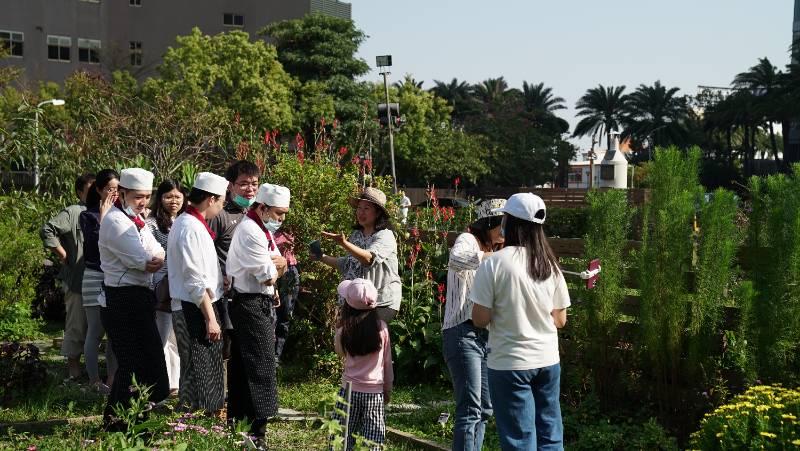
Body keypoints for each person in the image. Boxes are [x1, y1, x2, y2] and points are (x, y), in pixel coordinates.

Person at [470, 193, 570, 451]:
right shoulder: (551, 264)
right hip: (548, 361)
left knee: (519, 439)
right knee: (550, 435)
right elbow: (560, 320)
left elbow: (479, 319)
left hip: (509, 363)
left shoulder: (494, 264)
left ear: (509, 222)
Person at [98, 168, 169, 428]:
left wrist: (153, 259)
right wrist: (151, 260)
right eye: (138, 196)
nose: (143, 202)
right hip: (122, 298)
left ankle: (126, 420)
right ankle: (122, 422)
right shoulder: (116, 221)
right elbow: (142, 260)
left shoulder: (136, 221)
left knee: (144, 362)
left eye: (147, 197)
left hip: (139, 296)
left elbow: (158, 251)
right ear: (123, 193)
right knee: (133, 363)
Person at [226, 183, 291, 446]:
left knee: (244, 366)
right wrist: (278, 267)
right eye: (278, 213)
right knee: (260, 366)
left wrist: (280, 265)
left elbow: (280, 262)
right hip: (250, 303)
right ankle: (256, 431)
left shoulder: (262, 229)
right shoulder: (250, 230)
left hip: (257, 303)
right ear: (262, 207)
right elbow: (267, 275)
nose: (281, 219)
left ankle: (241, 426)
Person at [442, 198, 506, 451]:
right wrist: (497, 257)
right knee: (470, 408)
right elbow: (457, 259)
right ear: (488, 224)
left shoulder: (500, 251)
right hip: (461, 331)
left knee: (485, 408)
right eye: (501, 227)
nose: (504, 233)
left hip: (485, 335)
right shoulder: (467, 240)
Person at [208, 161, 287, 356]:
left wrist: (273, 284)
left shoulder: (262, 213)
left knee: (246, 352)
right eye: (243, 184)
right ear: (230, 185)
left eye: (254, 183)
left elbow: (270, 256)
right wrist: (219, 276)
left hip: (257, 291)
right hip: (227, 294)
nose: (250, 189)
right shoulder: (220, 215)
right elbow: (205, 251)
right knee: (227, 349)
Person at [168, 173, 227, 414]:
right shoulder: (189, 227)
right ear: (211, 199)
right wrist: (210, 317)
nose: (222, 207)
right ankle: (198, 417)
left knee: (202, 364)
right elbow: (194, 278)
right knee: (199, 365)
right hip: (194, 305)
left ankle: (193, 416)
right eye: (222, 201)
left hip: (199, 302)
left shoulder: (192, 224)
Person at [316, 187, 402, 322]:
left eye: (366, 208)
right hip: (356, 300)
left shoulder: (385, 235)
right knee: (348, 339)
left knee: (366, 339)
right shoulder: (356, 235)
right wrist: (321, 256)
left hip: (380, 302)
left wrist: (344, 243)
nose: (361, 212)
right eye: (359, 208)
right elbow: (348, 264)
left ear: (378, 212)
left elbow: (368, 259)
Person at [41, 173, 95, 380]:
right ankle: (73, 368)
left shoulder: (106, 211)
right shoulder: (74, 212)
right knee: (77, 325)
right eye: (90, 189)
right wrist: (62, 253)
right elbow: (48, 229)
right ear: (80, 191)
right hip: (78, 280)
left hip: (103, 281)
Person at [332, 278, 393, 451]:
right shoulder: (381, 328)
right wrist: (387, 389)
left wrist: (338, 330)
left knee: (341, 437)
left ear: (348, 306)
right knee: (373, 440)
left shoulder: (344, 328)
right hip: (374, 392)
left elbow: (340, 352)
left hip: (349, 390)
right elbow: (387, 363)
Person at [145, 179, 187, 397]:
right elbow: (153, 254)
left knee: (176, 336)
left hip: (180, 282)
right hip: (161, 283)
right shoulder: (152, 223)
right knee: (163, 334)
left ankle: (174, 383)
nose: (174, 201)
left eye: (178, 197)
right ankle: (160, 383)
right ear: (160, 198)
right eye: (168, 196)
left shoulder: (184, 220)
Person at [79, 169, 119, 393]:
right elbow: (96, 246)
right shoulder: (89, 215)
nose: (114, 193)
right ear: (99, 190)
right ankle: (94, 380)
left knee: (114, 331)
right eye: (110, 189)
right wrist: (104, 218)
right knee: (96, 330)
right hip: (95, 276)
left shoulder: (123, 214)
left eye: (117, 189)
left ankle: (113, 379)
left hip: (115, 279)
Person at [274, 229, 299, 365]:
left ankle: (277, 356)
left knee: (285, 314)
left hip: (289, 270)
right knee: (270, 314)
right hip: (270, 269)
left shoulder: (293, 225)